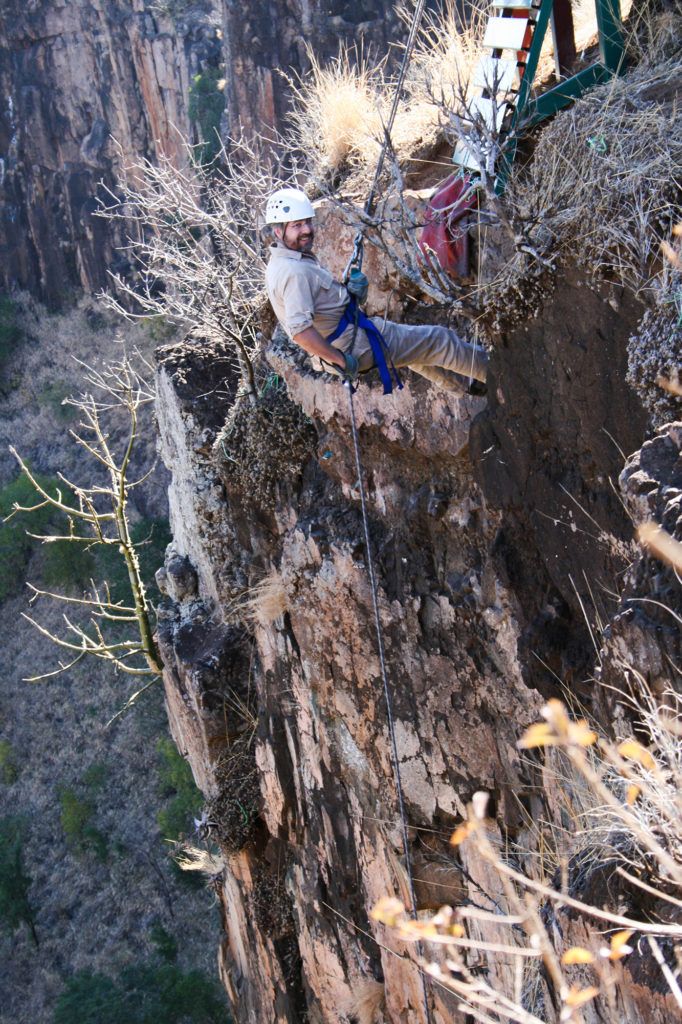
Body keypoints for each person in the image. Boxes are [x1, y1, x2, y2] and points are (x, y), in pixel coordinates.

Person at [263, 187, 488, 394]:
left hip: (348, 340)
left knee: (412, 350)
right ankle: (495, 373)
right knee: (440, 340)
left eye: (307, 222)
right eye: (296, 225)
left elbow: (317, 307)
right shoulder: (294, 273)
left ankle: (466, 385)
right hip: (353, 346)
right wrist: (341, 361)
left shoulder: (283, 262)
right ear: (278, 231)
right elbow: (300, 332)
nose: (307, 230)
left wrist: (348, 294)